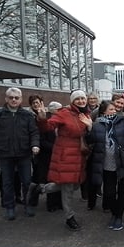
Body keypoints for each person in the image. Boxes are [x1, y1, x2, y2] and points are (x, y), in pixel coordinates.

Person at [29, 90, 93, 231]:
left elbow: (88, 135)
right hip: (66, 155)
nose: (81, 101)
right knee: (68, 188)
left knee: (75, 184)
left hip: (79, 155)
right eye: (78, 99)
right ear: (72, 101)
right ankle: (69, 217)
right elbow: (48, 126)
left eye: (83, 98)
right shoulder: (64, 113)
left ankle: (41, 188)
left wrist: (89, 126)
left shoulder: (86, 114)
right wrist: (42, 118)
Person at [0, 87, 41, 220]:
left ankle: (28, 205)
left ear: (21, 99)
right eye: (11, 97)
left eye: (16, 97)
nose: (14, 100)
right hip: (5, 154)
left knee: (27, 181)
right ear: (6, 99)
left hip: (24, 154)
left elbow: (34, 132)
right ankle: (10, 207)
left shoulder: (27, 115)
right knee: (7, 182)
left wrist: (35, 145)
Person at [86, 100, 124, 230]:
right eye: (111, 109)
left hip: (123, 162)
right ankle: (114, 213)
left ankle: (118, 217)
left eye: (114, 109)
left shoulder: (123, 121)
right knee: (109, 193)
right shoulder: (97, 125)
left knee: (122, 191)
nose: (114, 111)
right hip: (107, 164)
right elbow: (90, 141)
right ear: (103, 112)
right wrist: (89, 128)